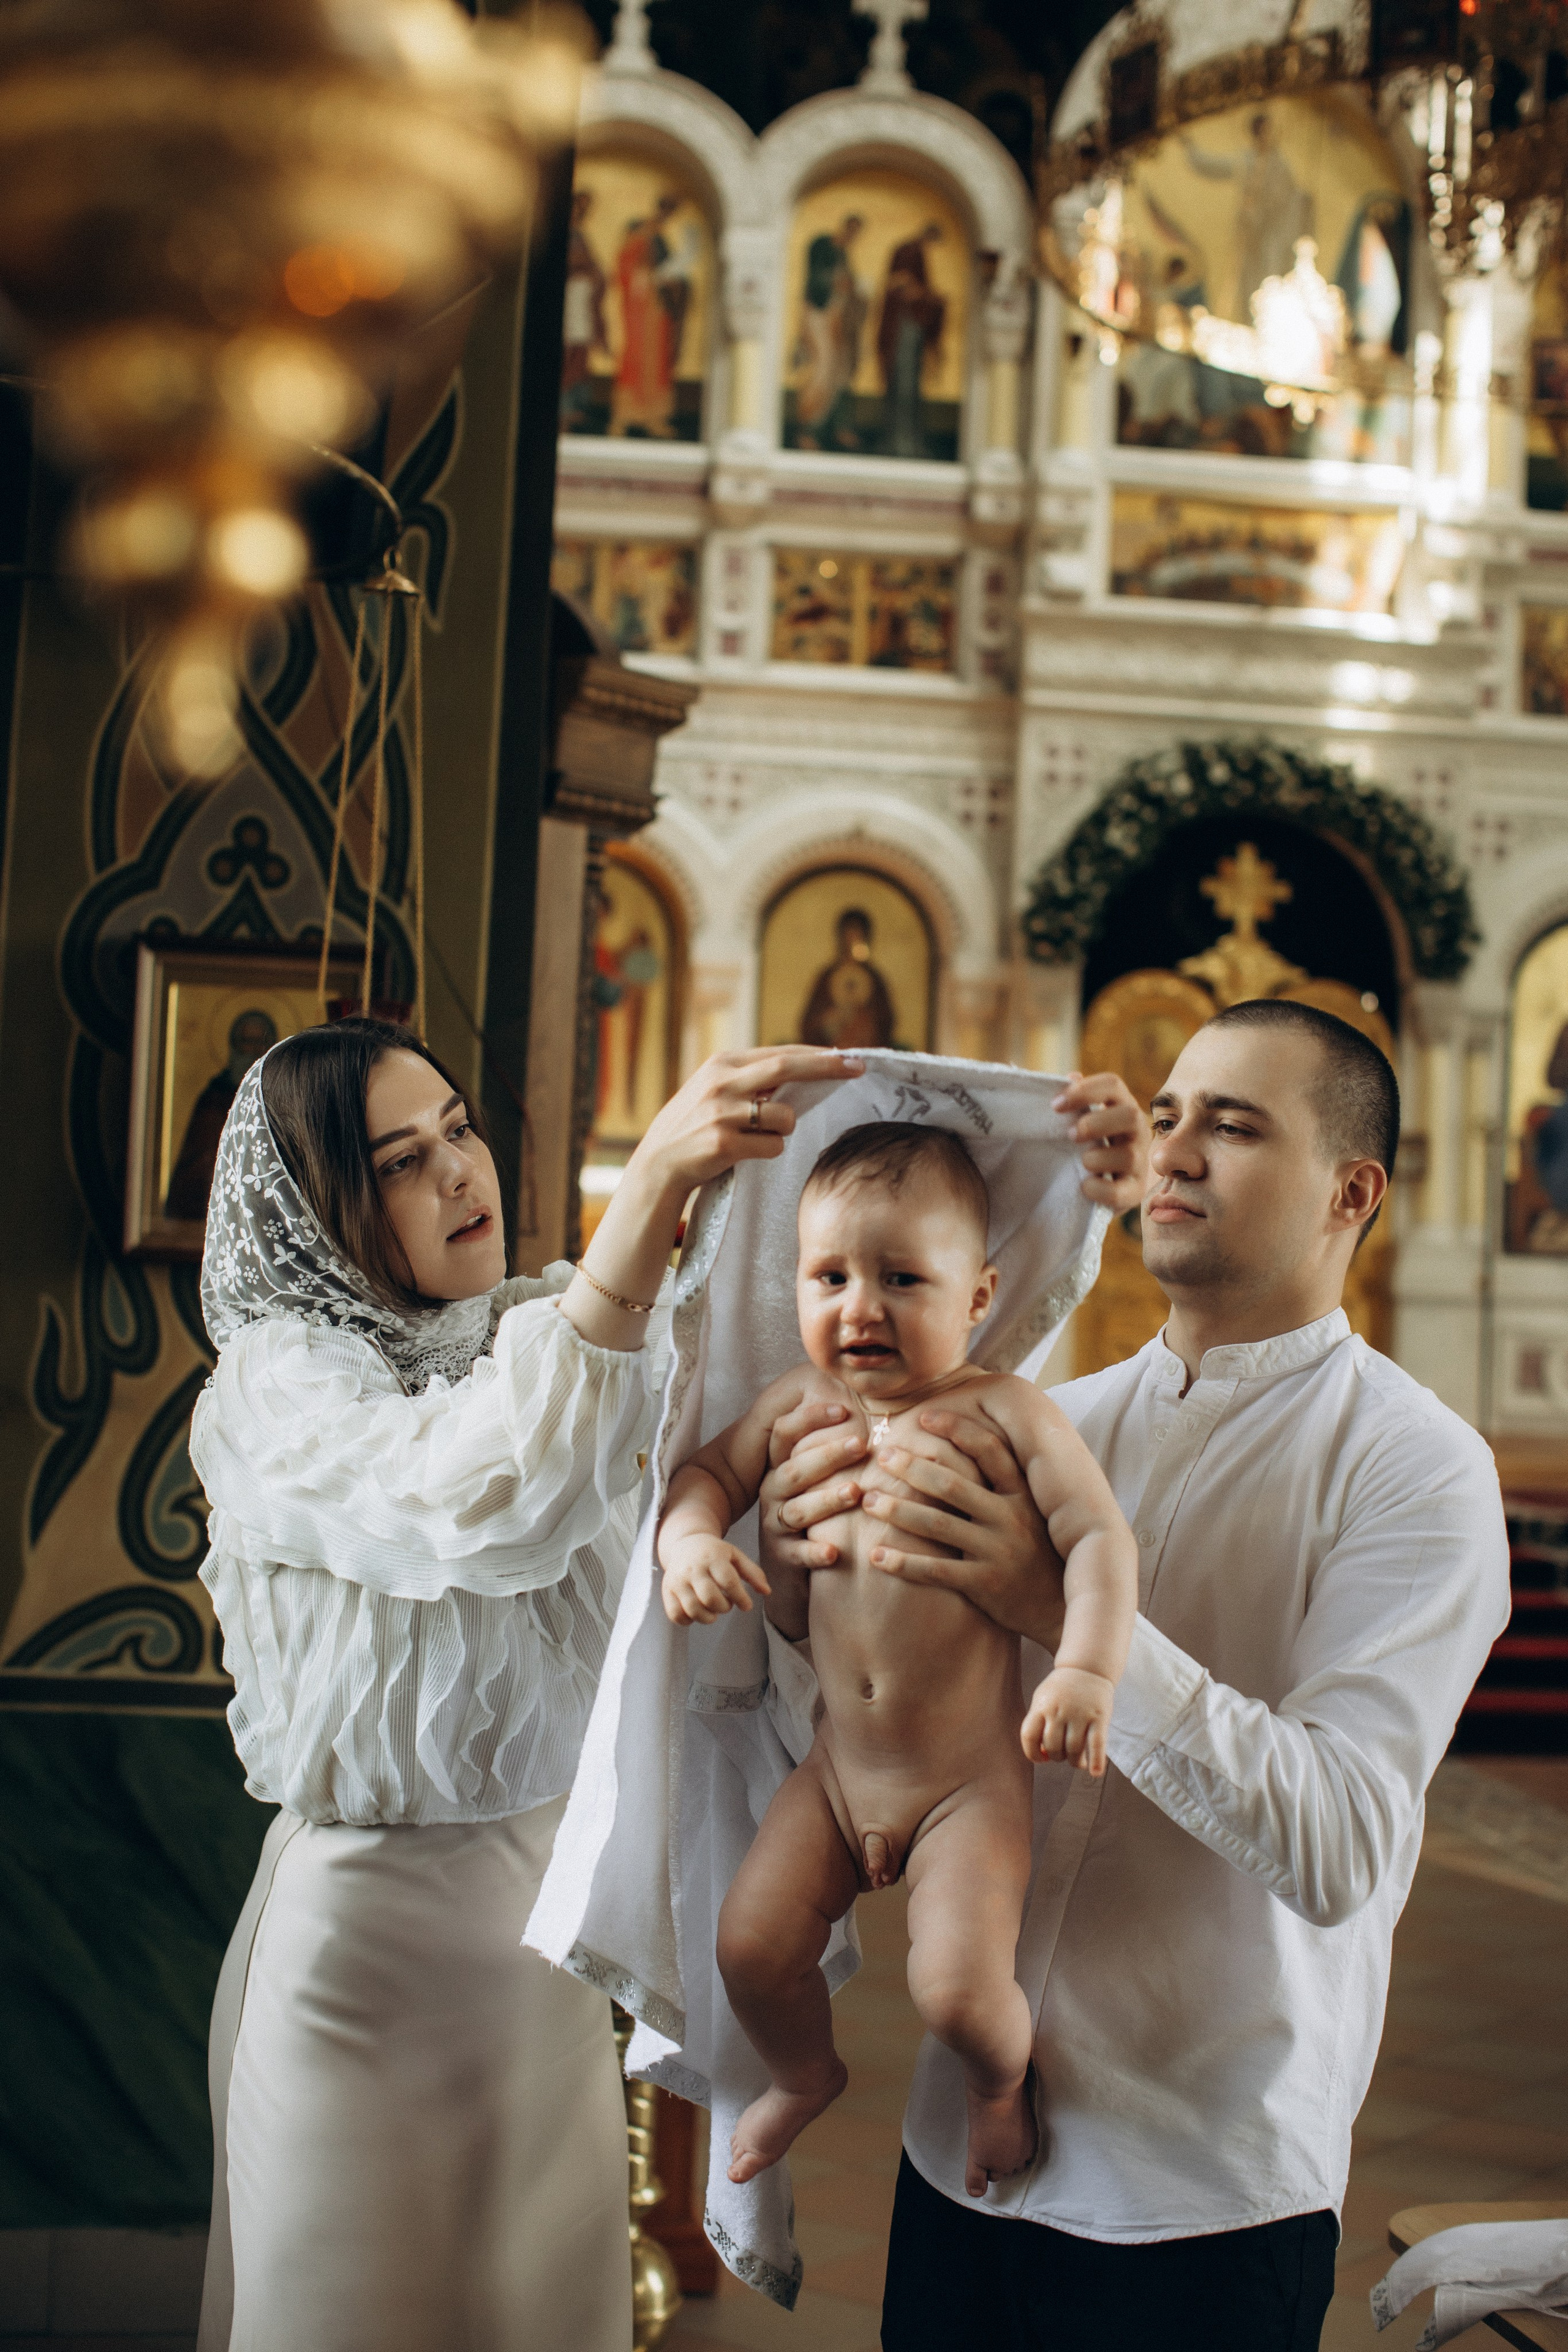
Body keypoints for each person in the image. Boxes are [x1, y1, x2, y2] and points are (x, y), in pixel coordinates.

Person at [761, 1000, 1511, 2352]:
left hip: (1197, 2185)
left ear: (1351, 1193)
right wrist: (788, 1566)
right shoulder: (1037, 1420)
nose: (1173, 1150)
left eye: (1233, 1126)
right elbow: (868, 1701)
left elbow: (1341, 1844)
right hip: (959, 2151)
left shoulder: (1418, 1468)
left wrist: (1059, 1615)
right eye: (1166, 1115)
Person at [189, 1016, 863, 2352]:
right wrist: (648, 1187)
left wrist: (1043, 1177)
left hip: (546, 1946)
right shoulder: (280, 1386)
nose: (457, 1170)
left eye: (459, 1129)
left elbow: (780, 1360)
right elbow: (489, 1487)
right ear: (321, 1211)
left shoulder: (535, 1331)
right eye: (399, 1160)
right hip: (361, 1964)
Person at [657, 1121, 1137, 2199]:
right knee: (751, 1946)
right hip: (838, 1772)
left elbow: (1099, 1539)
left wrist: (1086, 1671)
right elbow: (705, 1476)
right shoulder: (796, 1406)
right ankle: (803, 2071)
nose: (860, 1307)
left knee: (958, 1992)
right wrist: (690, 1543)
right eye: (830, 1277)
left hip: (967, 1786)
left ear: (978, 1297)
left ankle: (998, 2086)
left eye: (902, 1278)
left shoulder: (1003, 1413)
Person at [165, 1006, 277, 1221]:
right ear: (235, 1046)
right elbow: (194, 1165)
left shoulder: (281, 1098)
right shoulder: (214, 1099)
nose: (254, 1050)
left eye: (261, 1042)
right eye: (247, 1041)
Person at [793, 214, 867, 450]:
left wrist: (854, 292)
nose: (852, 236)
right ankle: (807, 430)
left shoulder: (844, 256)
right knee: (822, 371)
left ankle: (837, 428)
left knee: (839, 373)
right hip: (818, 317)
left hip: (836, 322)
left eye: (856, 233)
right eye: (850, 229)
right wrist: (836, 284)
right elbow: (817, 283)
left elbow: (845, 293)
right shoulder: (822, 246)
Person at [876, 223, 944, 458]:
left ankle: (909, 442)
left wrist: (929, 297)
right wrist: (926, 295)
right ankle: (900, 442)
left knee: (910, 386)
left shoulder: (916, 252)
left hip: (912, 326)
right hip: (903, 326)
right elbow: (899, 284)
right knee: (903, 385)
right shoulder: (908, 251)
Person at [799, 908, 897, 1049]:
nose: (853, 942)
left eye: (858, 936)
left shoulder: (875, 979)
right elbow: (809, 1026)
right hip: (832, 1052)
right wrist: (831, 1020)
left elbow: (885, 1022)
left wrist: (862, 1018)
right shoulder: (827, 977)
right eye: (849, 936)